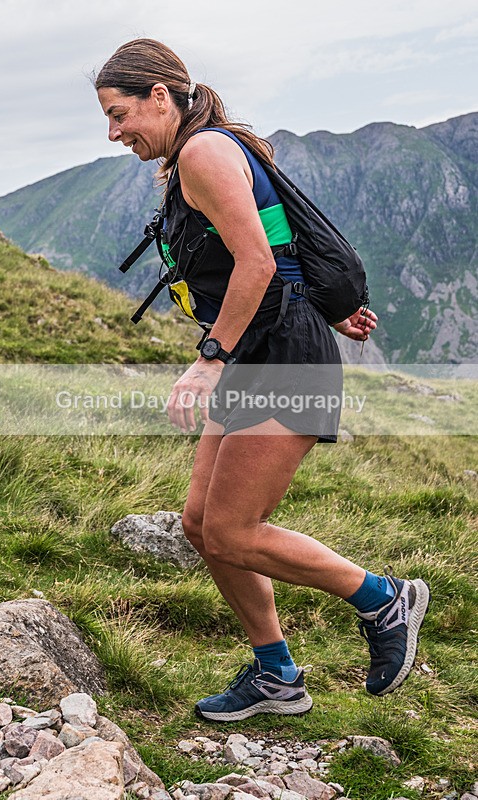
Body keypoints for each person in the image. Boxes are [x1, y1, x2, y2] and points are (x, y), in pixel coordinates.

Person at [95, 38, 430, 722]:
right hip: (267, 346)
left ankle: (384, 600)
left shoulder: (204, 152)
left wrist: (208, 358)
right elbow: (276, 246)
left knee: (232, 530)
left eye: (119, 112)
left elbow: (256, 264)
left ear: (161, 95)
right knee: (200, 524)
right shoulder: (204, 151)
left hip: (280, 356)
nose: (114, 131)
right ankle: (277, 675)